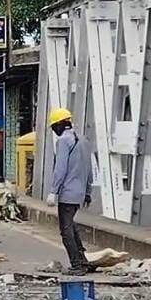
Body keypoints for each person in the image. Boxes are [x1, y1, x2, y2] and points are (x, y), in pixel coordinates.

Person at [45, 108, 94, 276]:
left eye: (53, 127)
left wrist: (53, 191)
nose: (54, 131)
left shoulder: (64, 142)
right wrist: (88, 191)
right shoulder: (83, 140)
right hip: (79, 193)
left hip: (67, 193)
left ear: (59, 124)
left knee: (66, 230)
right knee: (72, 227)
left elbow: (60, 168)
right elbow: (89, 169)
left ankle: (77, 264)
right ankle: (83, 260)